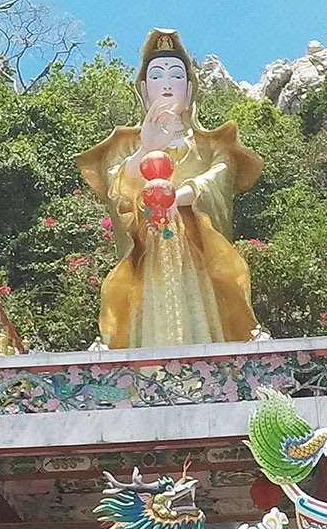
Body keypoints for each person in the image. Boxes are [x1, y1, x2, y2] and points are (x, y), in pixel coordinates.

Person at [76, 29, 263, 348]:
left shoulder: (211, 145)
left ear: (188, 90)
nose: (166, 84)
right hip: (149, 255)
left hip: (197, 252)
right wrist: (145, 150)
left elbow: (220, 177)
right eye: (156, 76)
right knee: (151, 319)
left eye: (176, 76)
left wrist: (179, 197)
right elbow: (116, 186)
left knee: (201, 316)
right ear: (144, 90)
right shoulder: (125, 146)